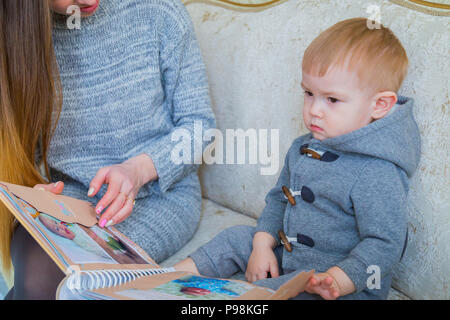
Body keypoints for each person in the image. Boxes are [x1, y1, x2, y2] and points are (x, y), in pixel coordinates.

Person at [174, 17, 421, 300]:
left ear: (379, 105)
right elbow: (279, 199)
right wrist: (262, 245)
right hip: (291, 257)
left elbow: (385, 244)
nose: (314, 110)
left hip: (342, 284)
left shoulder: (377, 170)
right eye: (309, 93)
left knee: (287, 293)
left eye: (332, 100)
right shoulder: (303, 148)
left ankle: (215, 297)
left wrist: (337, 280)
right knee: (238, 237)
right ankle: (163, 279)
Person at [1, 0, 215, 299]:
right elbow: (26, 151)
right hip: (73, 197)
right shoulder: (19, 36)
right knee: (32, 259)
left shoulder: (158, 11)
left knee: (62, 281)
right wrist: (35, 191)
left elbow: (200, 128)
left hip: (159, 197)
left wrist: (137, 170)